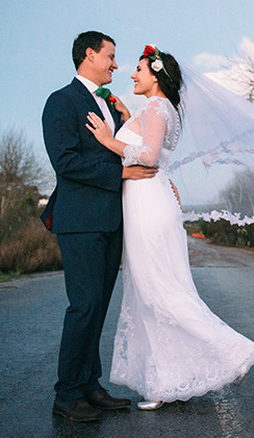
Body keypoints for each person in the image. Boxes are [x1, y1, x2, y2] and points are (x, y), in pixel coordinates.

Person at [86, 45, 254, 411]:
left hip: (148, 206)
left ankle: (234, 352)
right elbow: (154, 150)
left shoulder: (155, 108)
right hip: (149, 201)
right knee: (152, 293)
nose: (132, 74)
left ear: (156, 75)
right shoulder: (159, 109)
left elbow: (149, 156)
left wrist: (108, 139)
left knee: (158, 292)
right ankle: (162, 383)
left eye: (138, 69)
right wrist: (124, 118)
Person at [41, 31, 158, 422]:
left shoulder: (110, 103)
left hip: (112, 221)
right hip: (80, 221)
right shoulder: (61, 102)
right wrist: (121, 172)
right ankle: (67, 393)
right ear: (90, 55)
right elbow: (67, 163)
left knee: (99, 307)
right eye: (110, 56)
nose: (115, 64)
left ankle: (90, 384)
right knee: (84, 305)